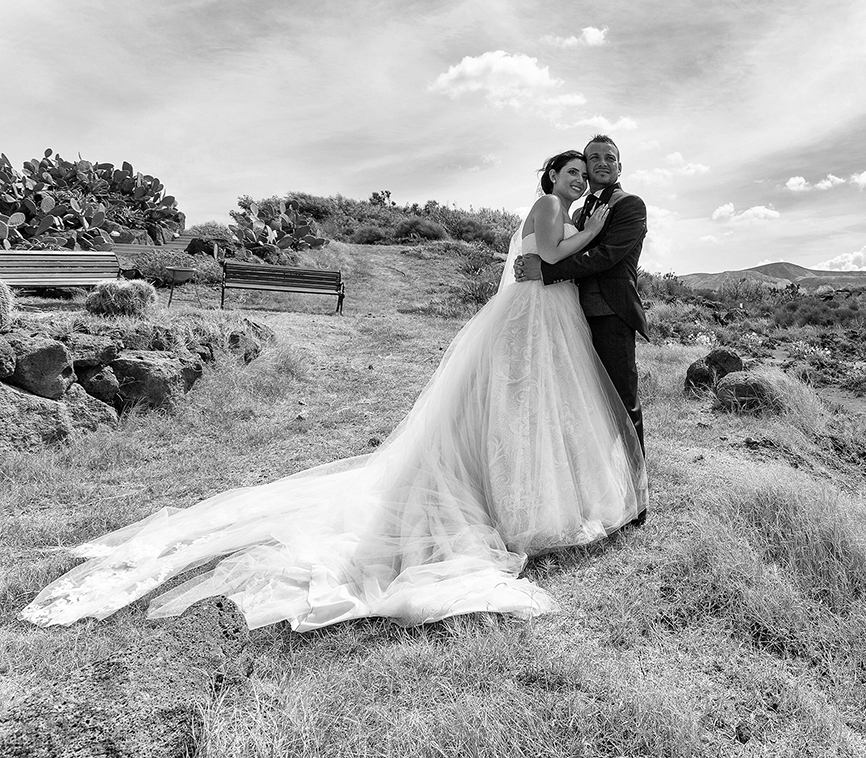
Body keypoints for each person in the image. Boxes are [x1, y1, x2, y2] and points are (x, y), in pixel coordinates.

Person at [19, 150, 647, 632]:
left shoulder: (581, 210)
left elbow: (557, 258)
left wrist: (586, 226)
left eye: (580, 172)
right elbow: (548, 256)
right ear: (552, 179)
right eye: (566, 170)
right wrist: (591, 228)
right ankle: (516, 498)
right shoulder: (553, 212)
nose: (574, 178)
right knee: (514, 406)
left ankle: (551, 490)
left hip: (557, 319)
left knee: (543, 409)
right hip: (530, 318)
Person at [514, 135, 648, 521]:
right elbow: (554, 243)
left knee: (622, 405)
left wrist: (547, 270)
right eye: (593, 159)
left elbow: (606, 257)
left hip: (608, 313)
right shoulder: (578, 206)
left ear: (620, 167)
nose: (600, 163)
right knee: (582, 405)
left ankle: (637, 498)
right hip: (569, 316)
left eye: (610, 158)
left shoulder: (629, 205)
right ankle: (591, 487)